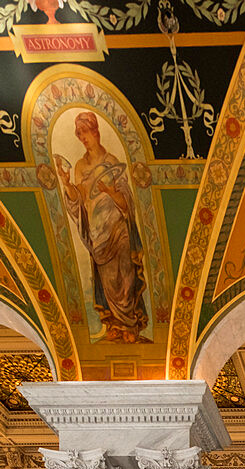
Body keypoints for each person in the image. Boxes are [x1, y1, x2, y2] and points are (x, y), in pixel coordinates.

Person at [55, 110, 148, 343]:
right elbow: (78, 201)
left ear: (96, 132)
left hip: (119, 229)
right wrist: (67, 185)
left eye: (86, 132)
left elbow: (126, 201)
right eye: (79, 134)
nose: (83, 138)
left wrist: (110, 192)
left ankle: (130, 325)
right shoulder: (79, 167)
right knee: (108, 281)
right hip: (98, 236)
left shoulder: (111, 163)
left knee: (126, 278)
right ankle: (115, 324)